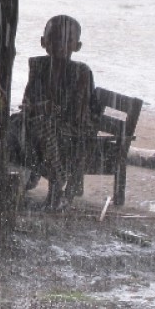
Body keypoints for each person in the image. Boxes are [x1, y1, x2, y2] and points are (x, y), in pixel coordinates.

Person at [20, 15, 101, 210]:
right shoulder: (38, 66)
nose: (60, 45)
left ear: (77, 46)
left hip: (75, 129)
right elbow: (28, 100)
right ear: (43, 42)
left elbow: (79, 113)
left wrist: (49, 110)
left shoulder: (81, 71)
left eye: (67, 40)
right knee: (13, 125)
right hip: (43, 122)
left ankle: (56, 185)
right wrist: (37, 108)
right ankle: (23, 178)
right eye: (55, 39)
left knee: (44, 126)